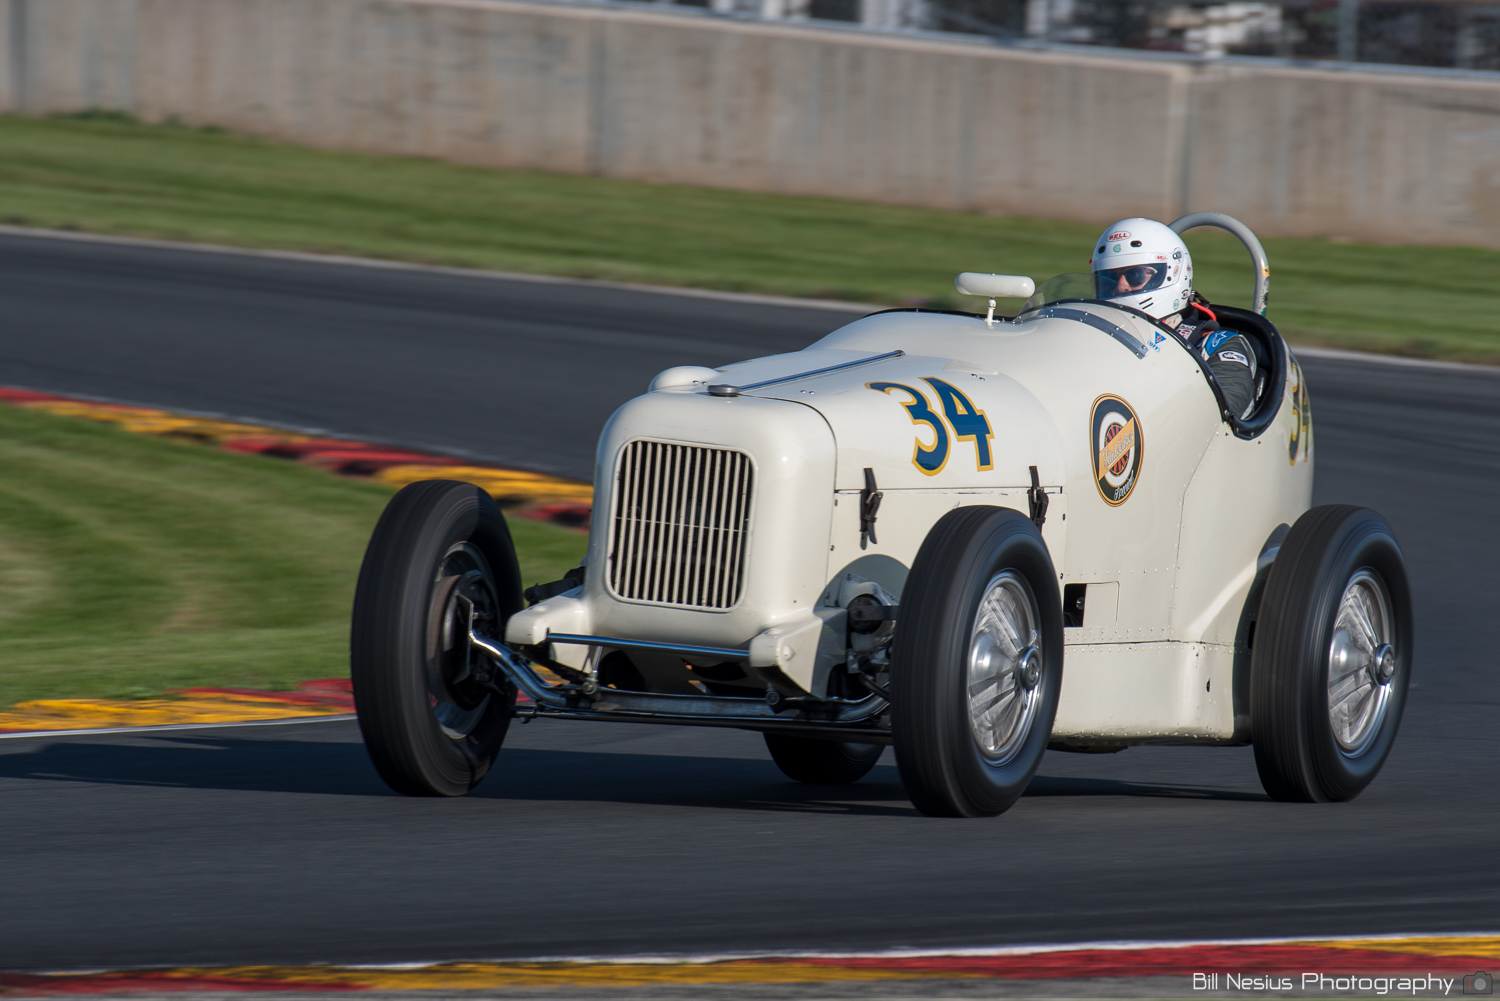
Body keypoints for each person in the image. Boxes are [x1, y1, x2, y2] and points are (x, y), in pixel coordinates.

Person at [1090, 217, 1259, 419]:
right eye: (1109, 278)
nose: (1120, 286)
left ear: (1174, 272)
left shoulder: (1215, 345)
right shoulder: (1094, 336)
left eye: (1135, 276)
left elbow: (1227, 405)